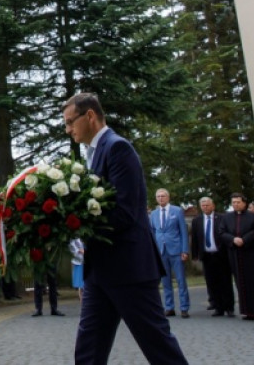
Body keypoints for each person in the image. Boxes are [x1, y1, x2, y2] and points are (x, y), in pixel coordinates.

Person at [63, 92, 188, 365]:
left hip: (129, 270)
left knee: (159, 348)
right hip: (99, 272)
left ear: (90, 116)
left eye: (70, 122)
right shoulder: (92, 154)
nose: (68, 129)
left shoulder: (117, 148)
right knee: (88, 351)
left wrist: (77, 223)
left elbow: (126, 213)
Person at [218, 193, 254, 321]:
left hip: (251, 254)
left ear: (244, 203)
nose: (235, 204)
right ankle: (248, 312)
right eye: (233, 202)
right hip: (235, 254)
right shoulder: (226, 218)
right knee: (241, 282)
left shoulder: (253, 217)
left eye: (238, 202)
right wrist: (233, 239)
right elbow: (222, 232)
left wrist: (244, 240)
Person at [191, 196, 235, 317]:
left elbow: (227, 235)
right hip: (207, 256)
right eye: (203, 205)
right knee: (212, 282)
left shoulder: (222, 218)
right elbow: (195, 239)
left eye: (207, 205)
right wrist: (194, 254)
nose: (205, 207)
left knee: (225, 281)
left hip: (221, 255)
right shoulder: (197, 221)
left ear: (213, 206)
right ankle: (218, 307)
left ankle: (229, 307)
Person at [150, 188, 191, 318]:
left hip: (176, 250)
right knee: (165, 281)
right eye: (158, 196)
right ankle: (169, 307)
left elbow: (183, 232)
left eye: (163, 196)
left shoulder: (177, 211)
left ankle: (184, 307)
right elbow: (152, 233)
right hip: (161, 251)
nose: (160, 198)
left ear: (168, 197)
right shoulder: (153, 214)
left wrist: (184, 250)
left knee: (180, 280)